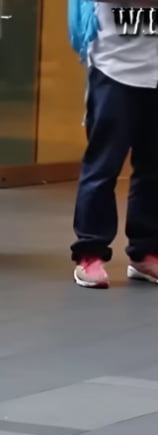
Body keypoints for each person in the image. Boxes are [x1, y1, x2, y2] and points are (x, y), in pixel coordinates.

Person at [70, 1, 158, 289]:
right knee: (102, 166)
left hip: (154, 70)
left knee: (153, 168)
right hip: (114, 69)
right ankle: (90, 252)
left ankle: (145, 252)